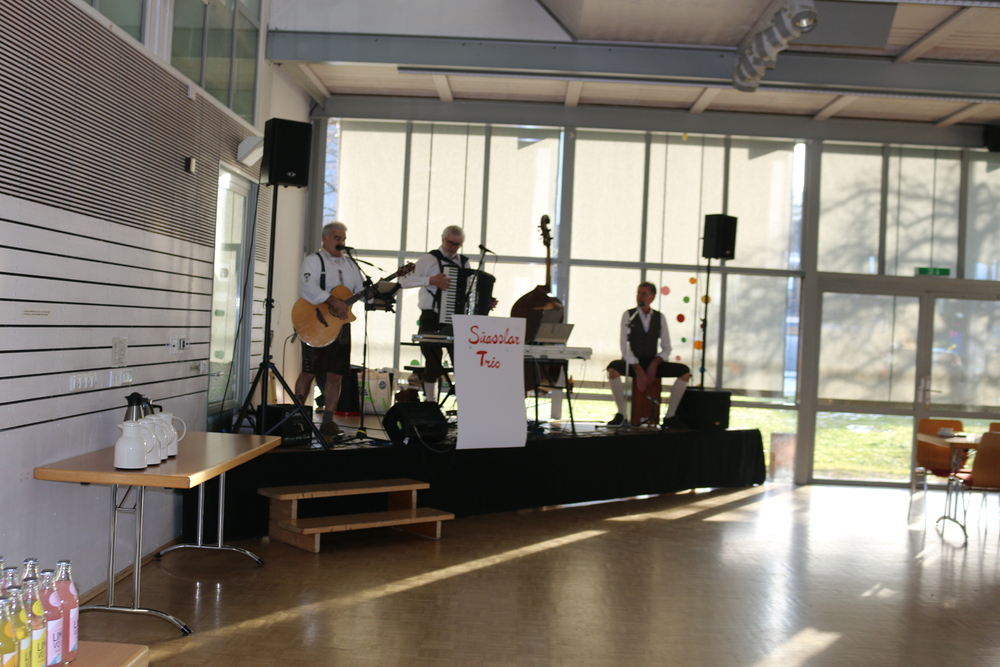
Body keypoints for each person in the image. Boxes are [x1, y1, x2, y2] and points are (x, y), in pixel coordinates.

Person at [294, 221, 364, 441]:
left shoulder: (351, 264)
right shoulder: (314, 261)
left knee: (336, 375)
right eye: (337, 238)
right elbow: (308, 287)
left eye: (343, 238)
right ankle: (297, 418)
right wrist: (332, 300)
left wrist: (378, 292)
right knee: (310, 371)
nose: (341, 242)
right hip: (315, 324)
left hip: (340, 326)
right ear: (324, 239)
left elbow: (360, 290)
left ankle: (328, 421)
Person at [399, 225, 468, 404]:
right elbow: (404, 281)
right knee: (433, 363)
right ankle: (431, 403)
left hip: (454, 319)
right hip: (430, 316)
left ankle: (465, 404)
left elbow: (467, 289)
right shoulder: (428, 260)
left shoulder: (463, 263)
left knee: (462, 364)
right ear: (442, 239)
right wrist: (430, 280)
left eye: (457, 244)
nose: (452, 247)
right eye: (449, 242)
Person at [606, 281, 691, 428]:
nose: (640, 296)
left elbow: (667, 347)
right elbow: (624, 346)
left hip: (652, 361)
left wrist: (655, 363)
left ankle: (670, 416)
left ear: (652, 297)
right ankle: (621, 414)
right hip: (632, 362)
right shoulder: (629, 315)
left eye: (644, 294)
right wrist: (638, 368)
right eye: (638, 293)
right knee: (613, 369)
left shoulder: (659, 317)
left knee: (684, 372)